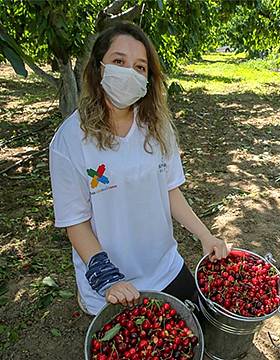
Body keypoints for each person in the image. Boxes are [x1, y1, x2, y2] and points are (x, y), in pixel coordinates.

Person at [49, 21, 230, 315]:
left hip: (164, 267)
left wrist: (205, 235)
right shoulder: (69, 141)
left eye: (140, 67)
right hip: (111, 284)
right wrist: (106, 279)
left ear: (148, 78)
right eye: (119, 61)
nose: (129, 73)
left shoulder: (157, 127)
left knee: (196, 334)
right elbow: (76, 221)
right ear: (98, 69)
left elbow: (170, 189)